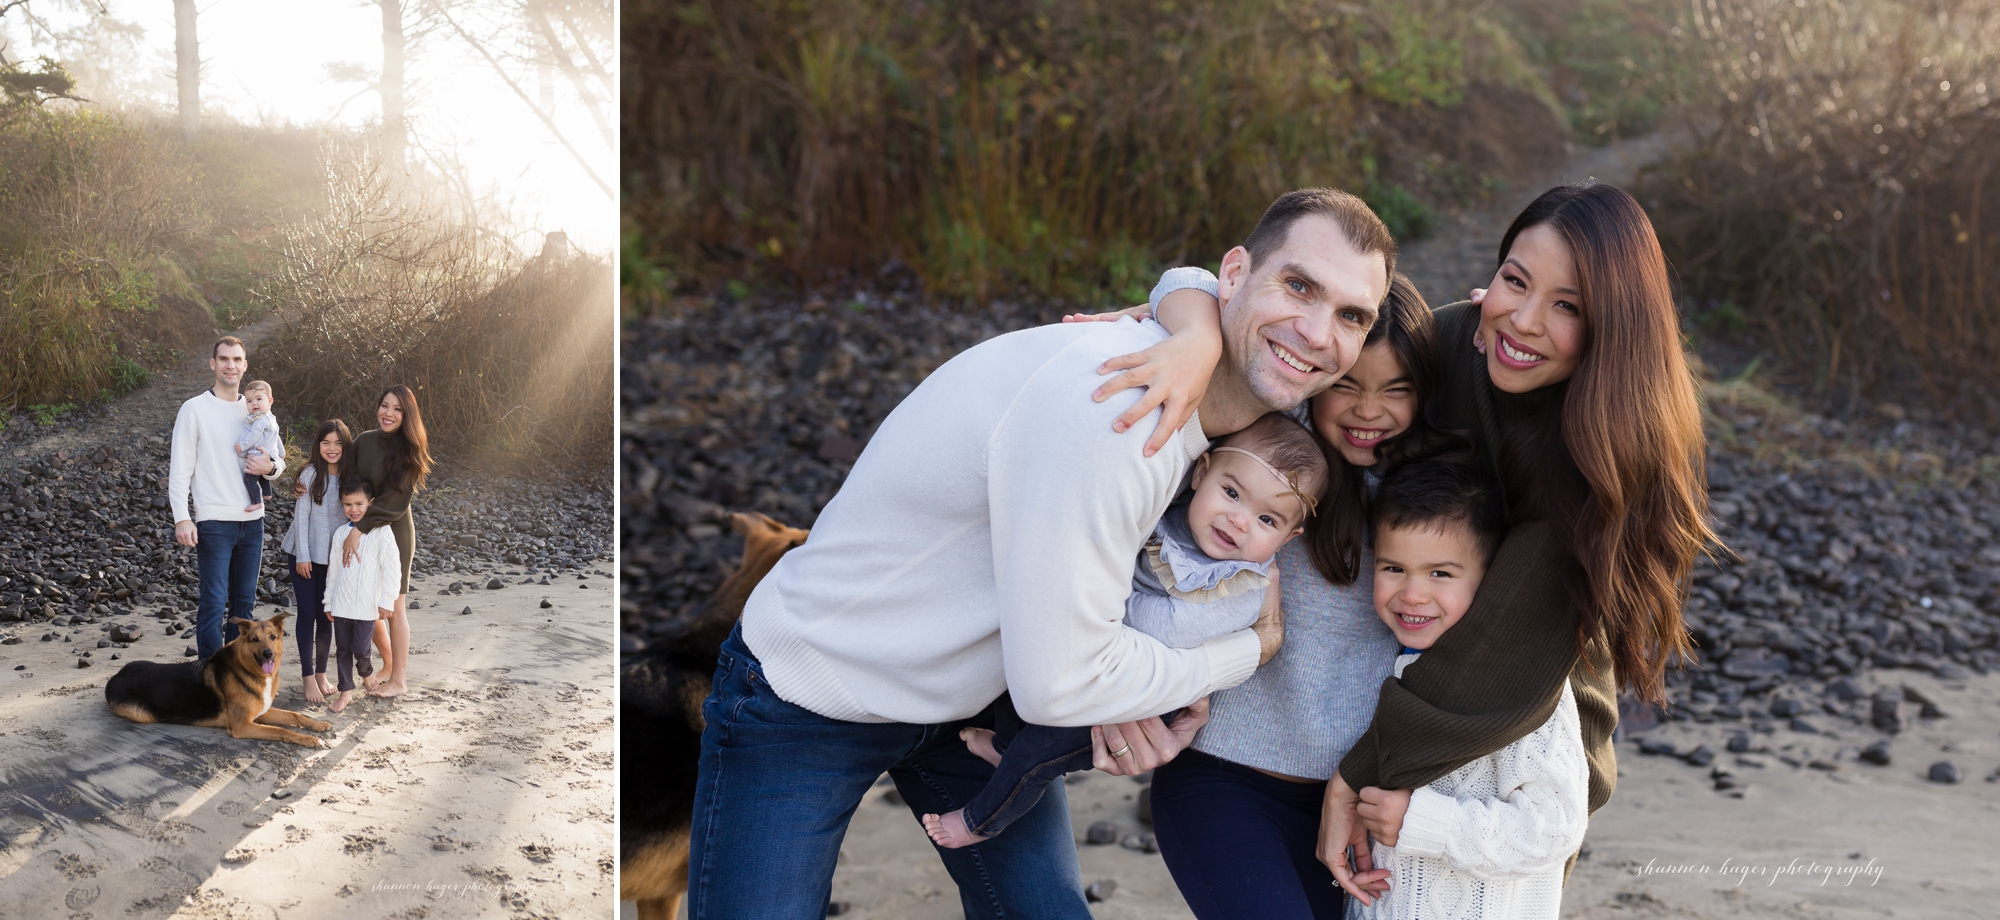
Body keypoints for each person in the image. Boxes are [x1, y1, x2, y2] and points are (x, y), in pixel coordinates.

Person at [688, 187, 1395, 919]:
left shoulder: (1254, 403)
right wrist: (1243, 653)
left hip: (974, 705)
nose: (1317, 333)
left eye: (1351, 315)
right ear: (1238, 274)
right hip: (817, 687)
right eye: (1299, 285)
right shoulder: (1125, 416)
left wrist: (1197, 329)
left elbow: (1188, 283)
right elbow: (1061, 689)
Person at [1109, 182, 1712, 908]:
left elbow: (1509, 648)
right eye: (1515, 282)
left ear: (1613, 325)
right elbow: (1259, 301)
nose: (1523, 320)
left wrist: (1358, 775)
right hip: (1342, 756)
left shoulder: (1607, 449)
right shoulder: (1447, 349)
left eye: (1568, 306)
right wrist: (1190, 331)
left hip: (1511, 732)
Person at [1065, 272, 1437, 917]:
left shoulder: (1428, 497)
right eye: (1346, 385)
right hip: (1222, 775)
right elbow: (1192, 284)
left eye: (1396, 390)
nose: (1368, 410)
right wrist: (1192, 332)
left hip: (1348, 798)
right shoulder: (1259, 447)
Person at [922, 413, 1331, 849]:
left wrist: (1098, 598)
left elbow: (1168, 630)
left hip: (1144, 699)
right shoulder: (1170, 519)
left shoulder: (1243, 586)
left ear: (1288, 538)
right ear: (1202, 472)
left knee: (1039, 753)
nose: (1239, 520)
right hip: (1100, 656)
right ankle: (1003, 746)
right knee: (1019, 686)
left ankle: (978, 821)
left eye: (1268, 520)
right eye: (1231, 493)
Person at [1347, 457, 1588, 919]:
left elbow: (1554, 828)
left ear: (1492, 583)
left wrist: (1421, 821)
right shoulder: (1388, 665)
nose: (1412, 593)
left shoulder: (1526, 688)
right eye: (1394, 568)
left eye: (1440, 573)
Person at [169, 336, 284, 662]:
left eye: (237, 359)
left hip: (253, 523)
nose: (230, 365)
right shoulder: (194, 410)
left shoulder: (256, 406)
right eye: (224, 359)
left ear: (244, 365)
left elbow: (278, 459)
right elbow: (180, 469)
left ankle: (239, 674)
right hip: (214, 522)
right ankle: (209, 676)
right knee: (213, 603)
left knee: (244, 605)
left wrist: (271, 467)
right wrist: (182, 516)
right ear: (213, 364)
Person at [342, 384, 432, 699]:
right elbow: (345, 479)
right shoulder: (363, 442)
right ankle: (387, 664)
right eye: (384, 405)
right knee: (366, 602)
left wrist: (358, 528)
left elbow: (396, 502)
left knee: (394, 608)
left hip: (394, 534)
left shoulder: (409, 450)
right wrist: (305, 481)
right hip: (362, 532)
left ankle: (399, 680)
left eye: (396, 409)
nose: (388, 413)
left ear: (406, 415)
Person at [282, 419, 354, 704]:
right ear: (318, 445)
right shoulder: (311, 474)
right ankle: (308, 677)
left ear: (345, 446)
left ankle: (322, 673)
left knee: (328, 617)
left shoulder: (351, 476)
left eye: (338, 443)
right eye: (326, 443)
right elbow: (301, 518)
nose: (332, 448)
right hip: (305, 556)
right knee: (308, 613)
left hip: (333, 559)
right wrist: (303, 555)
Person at [324, 479, 400, 714]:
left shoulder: (382, 532)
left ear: (371, 503)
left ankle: (366, 673)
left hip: (367, 608)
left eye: (359, 503)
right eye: (347, 504)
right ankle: (345, 691)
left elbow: (392, 569)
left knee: (360, 648)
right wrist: (329, 601)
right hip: (341, 605)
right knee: (343, 651)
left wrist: (387, 601)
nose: (353, 509)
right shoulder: (340, 534)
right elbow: (333, 571)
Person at [235, 381, 282, 513]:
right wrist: (281, 453)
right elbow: (276, 438)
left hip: (259, 454)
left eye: (259, 399)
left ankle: (256, 502)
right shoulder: (271, 418)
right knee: (261, 475)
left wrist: (242, 446)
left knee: (250, 478)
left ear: (270, 400)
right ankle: (267, 493)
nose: (254, 403)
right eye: (249, 401)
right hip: (271, 454)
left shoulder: (260, 420)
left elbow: (253, 435)